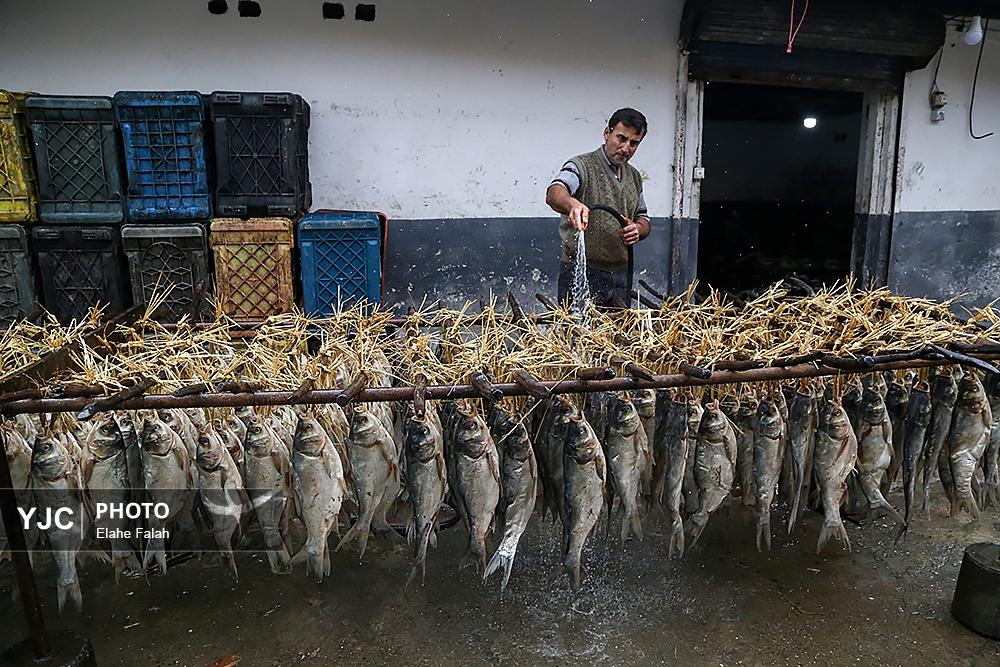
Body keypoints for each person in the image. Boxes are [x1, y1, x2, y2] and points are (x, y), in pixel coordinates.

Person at [545, 107, 651, 308]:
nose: (625, 148)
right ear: (607, 133)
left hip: (620, 274)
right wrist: (572, 204)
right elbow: (554, 192)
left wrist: (638, 229)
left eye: (634, 143)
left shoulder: (635, 176)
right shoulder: (581, 166)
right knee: (578, 336)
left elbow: (644, 219)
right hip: (582, 271)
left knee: (618, 336)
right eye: (621, 138)